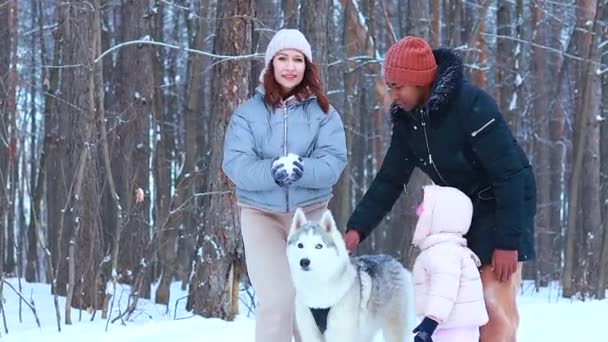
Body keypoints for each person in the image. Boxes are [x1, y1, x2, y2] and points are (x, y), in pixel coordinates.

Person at [344, 36, 536, 342]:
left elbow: (510, 173)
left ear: (421, 81)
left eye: (398, 86)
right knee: (456, 307)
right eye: (389, 86)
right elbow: (390, 179)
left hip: (501, 207)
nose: (392, 95)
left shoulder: (471, 105)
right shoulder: (409, 122)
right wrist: (356, 229)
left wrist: (507, 242)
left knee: (491, 303)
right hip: (459, 216)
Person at [222, 29, 347, 342]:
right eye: (282, 58)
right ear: (270, 64)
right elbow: (235, 164)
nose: (290, 66)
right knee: (277, 301)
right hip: (261, 216)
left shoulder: (325, 114)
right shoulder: (247, 114)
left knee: (310, 301)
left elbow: (333, 162)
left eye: (297, 59)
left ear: (307, 65)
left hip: (311, 215)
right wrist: (272, 171)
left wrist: (302, 170)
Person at [411, 185, 488, 342]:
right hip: (455, 326)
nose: (417, 213)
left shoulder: (442, 252)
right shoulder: (450, 249)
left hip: (452, 329)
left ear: (440, 216)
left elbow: (444, 288)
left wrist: (429, 324)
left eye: (422, 209)